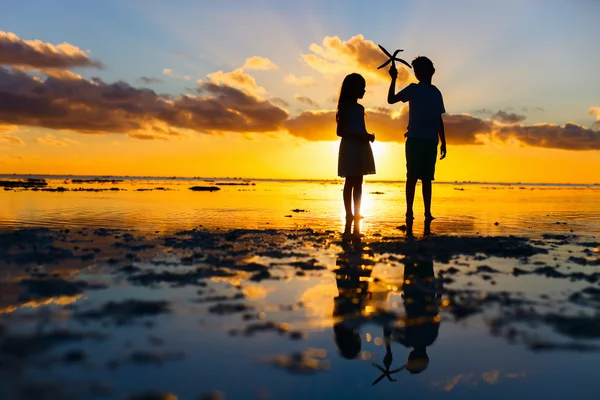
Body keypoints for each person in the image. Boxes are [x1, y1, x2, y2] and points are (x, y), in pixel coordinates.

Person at [387, 57, 446, 224]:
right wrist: (393, 79)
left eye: (420, 69)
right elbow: (391, 99)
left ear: (431, 71)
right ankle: (409, 212)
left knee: (427, 179)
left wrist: (444, 142)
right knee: (411, 177)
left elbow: (439, 119)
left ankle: (427, 213)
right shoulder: (413, 89)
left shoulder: (436, 93)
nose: (418, 73)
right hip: (414, 139)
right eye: (416, 70)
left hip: (431, 140)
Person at [336, 73, 376, 237]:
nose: (364, 90)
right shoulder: (345, 108)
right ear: (353, 89)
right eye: (362, 87)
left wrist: (368, 136)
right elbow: (340, 131)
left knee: (359, 181)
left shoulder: (360, 109)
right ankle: (348, 213)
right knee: (350, 181)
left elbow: (361, 128)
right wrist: (361, 136)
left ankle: (357, 212)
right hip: (351, 147)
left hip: (360, 147)